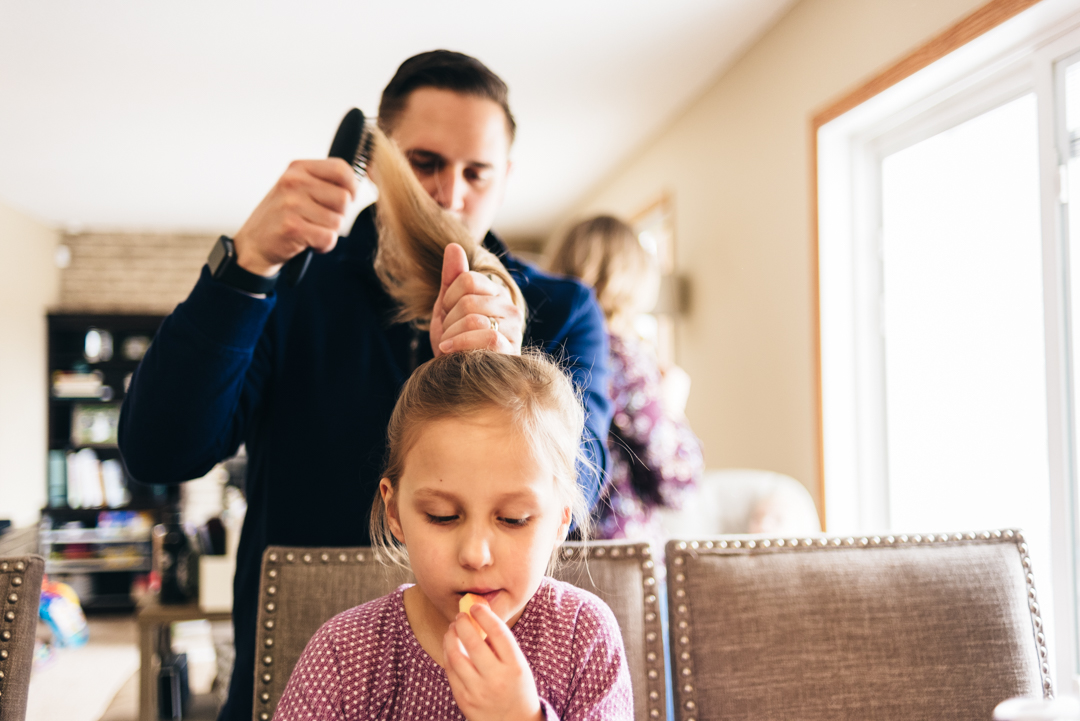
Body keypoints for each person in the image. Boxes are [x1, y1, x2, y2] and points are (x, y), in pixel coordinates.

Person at [118, 51, 612, 721]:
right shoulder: (294, 288)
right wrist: (247, 264)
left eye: (477, 172)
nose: (452, 194)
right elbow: (158, 449)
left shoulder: (561, 309)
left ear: (507, 176)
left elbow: (576, 497)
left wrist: (506, 374)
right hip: (289, 670)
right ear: (380, 162)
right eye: (427, 164)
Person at [273, 349, 632, 720]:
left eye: (513, 519)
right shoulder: (345, 654)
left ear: (560, 519)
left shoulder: (581, 636)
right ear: (394, 511)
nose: (475, 555)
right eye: (442, 517)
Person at [547, 215, 702, 551]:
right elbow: (678, 484)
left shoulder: (544, 349)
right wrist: (671, 409)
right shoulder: (622, 358)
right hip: (620, 557)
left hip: (555, 549)